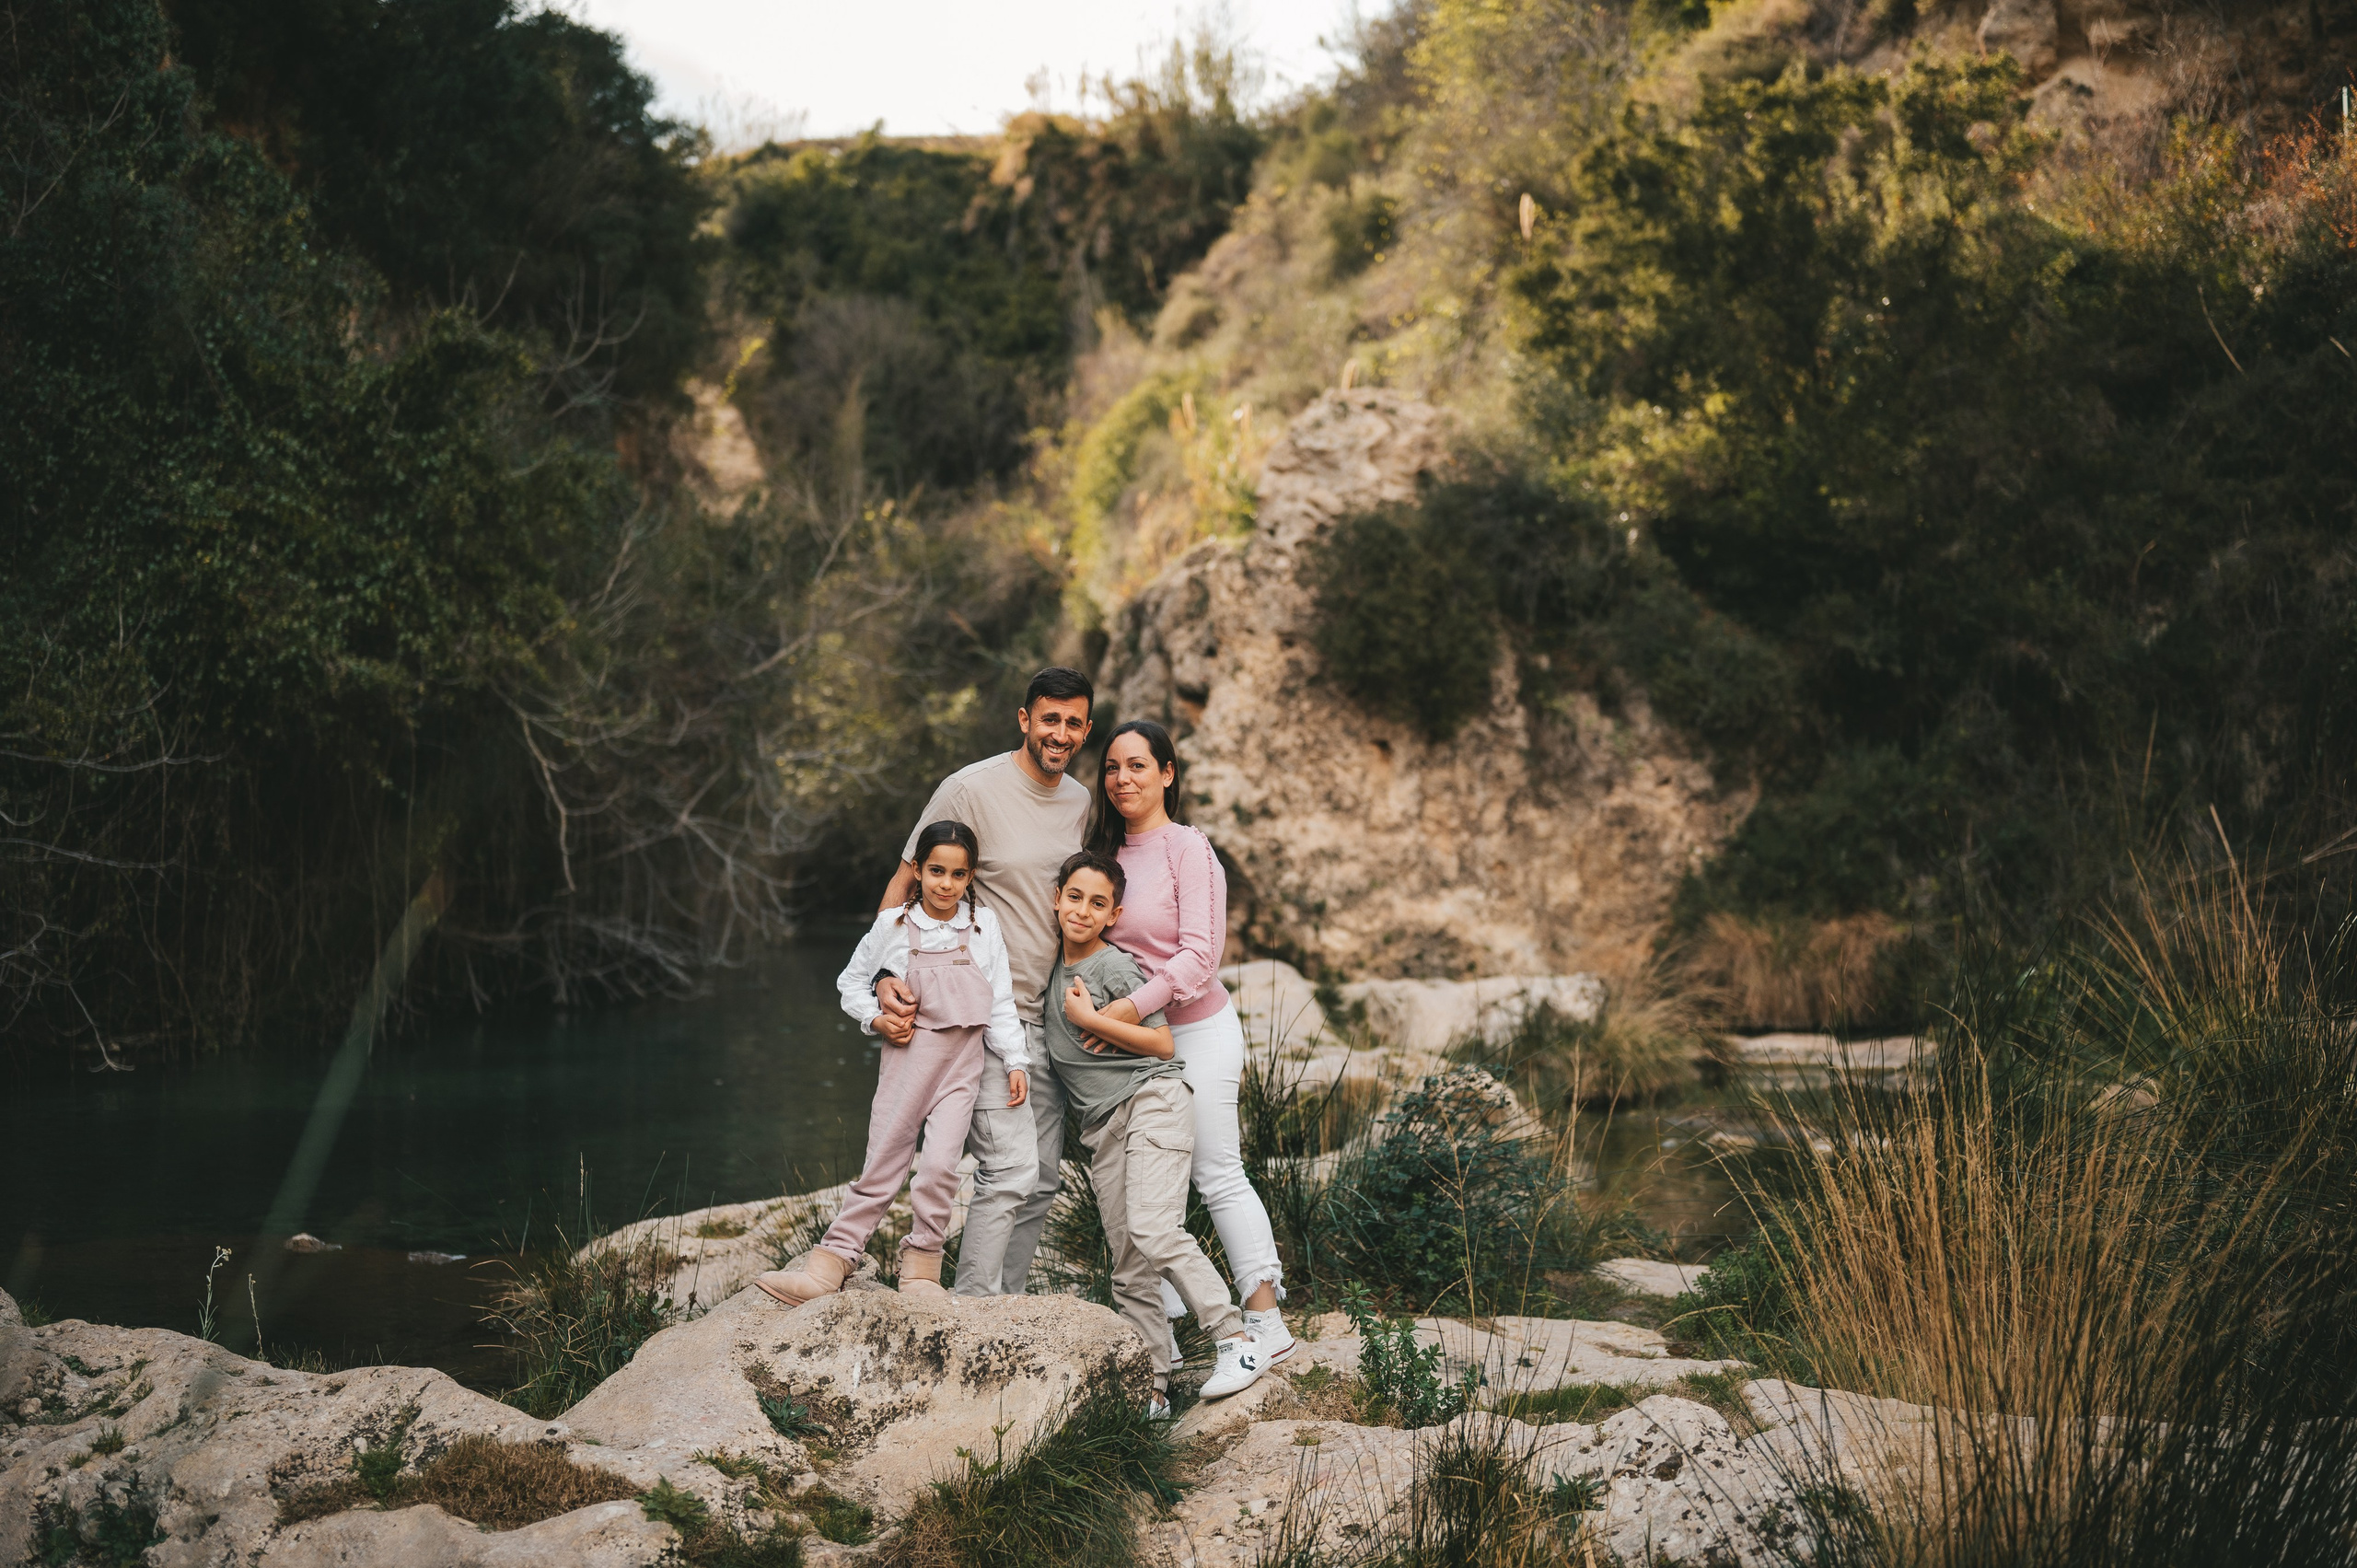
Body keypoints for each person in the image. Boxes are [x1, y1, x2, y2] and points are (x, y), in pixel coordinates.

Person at [872, 668, 1095, 1294]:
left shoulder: (1079, 801)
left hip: (1046, 1015)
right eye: (1049, 718)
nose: (1060, 732)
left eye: (1073, 722)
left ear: (1086, 729)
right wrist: (884, 973)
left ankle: (1007, 1308)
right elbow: (903, 886)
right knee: (1011, 1168)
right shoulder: (967, 789)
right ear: (1024, 720)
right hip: (983, 1017)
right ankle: (970, 1309)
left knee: (1043, 1178)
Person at [1087, 719, 1295, 1365]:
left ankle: (1265, 1320)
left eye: (1139, 765)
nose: (1123, 778)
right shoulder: (1100, 854)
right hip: (1130, 1044)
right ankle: (1165, 1330)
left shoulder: (1188, 849)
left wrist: (1125, 1008)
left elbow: (1200, 956)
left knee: (1214, 1170)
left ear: (1168, 773)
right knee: (1140, 1187)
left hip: (1196, 1031)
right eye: (1113, 766)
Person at [757, 820, 1024, 1305]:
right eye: (936, 871)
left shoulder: (984, 927)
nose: (946, 883)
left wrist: (1015, 1059)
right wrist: (876, 1022)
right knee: (883, 1164)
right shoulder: (894, 925)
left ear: (970, 878)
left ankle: (921, 1270)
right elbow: (850, 984)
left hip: (963, 1068)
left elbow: (1001, 999)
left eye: (958, 874)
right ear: (917, 870)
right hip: (908, 1063)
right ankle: (831, 1262)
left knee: (941, 1167)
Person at [1042, 850, 1267, 1417]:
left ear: (1114, 914)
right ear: (1055, 898)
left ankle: (1235, 1337)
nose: (1083, 911)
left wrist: (1092, 1020)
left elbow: (1164, 1046)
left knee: (1154, 1229)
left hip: (1152, 1102)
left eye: (1098, 904)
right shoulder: (1049, 971)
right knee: (1128, 1258)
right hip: (1102, 1128)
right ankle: (1155, 1386)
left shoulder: (1114, 968)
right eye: (1074, 898)